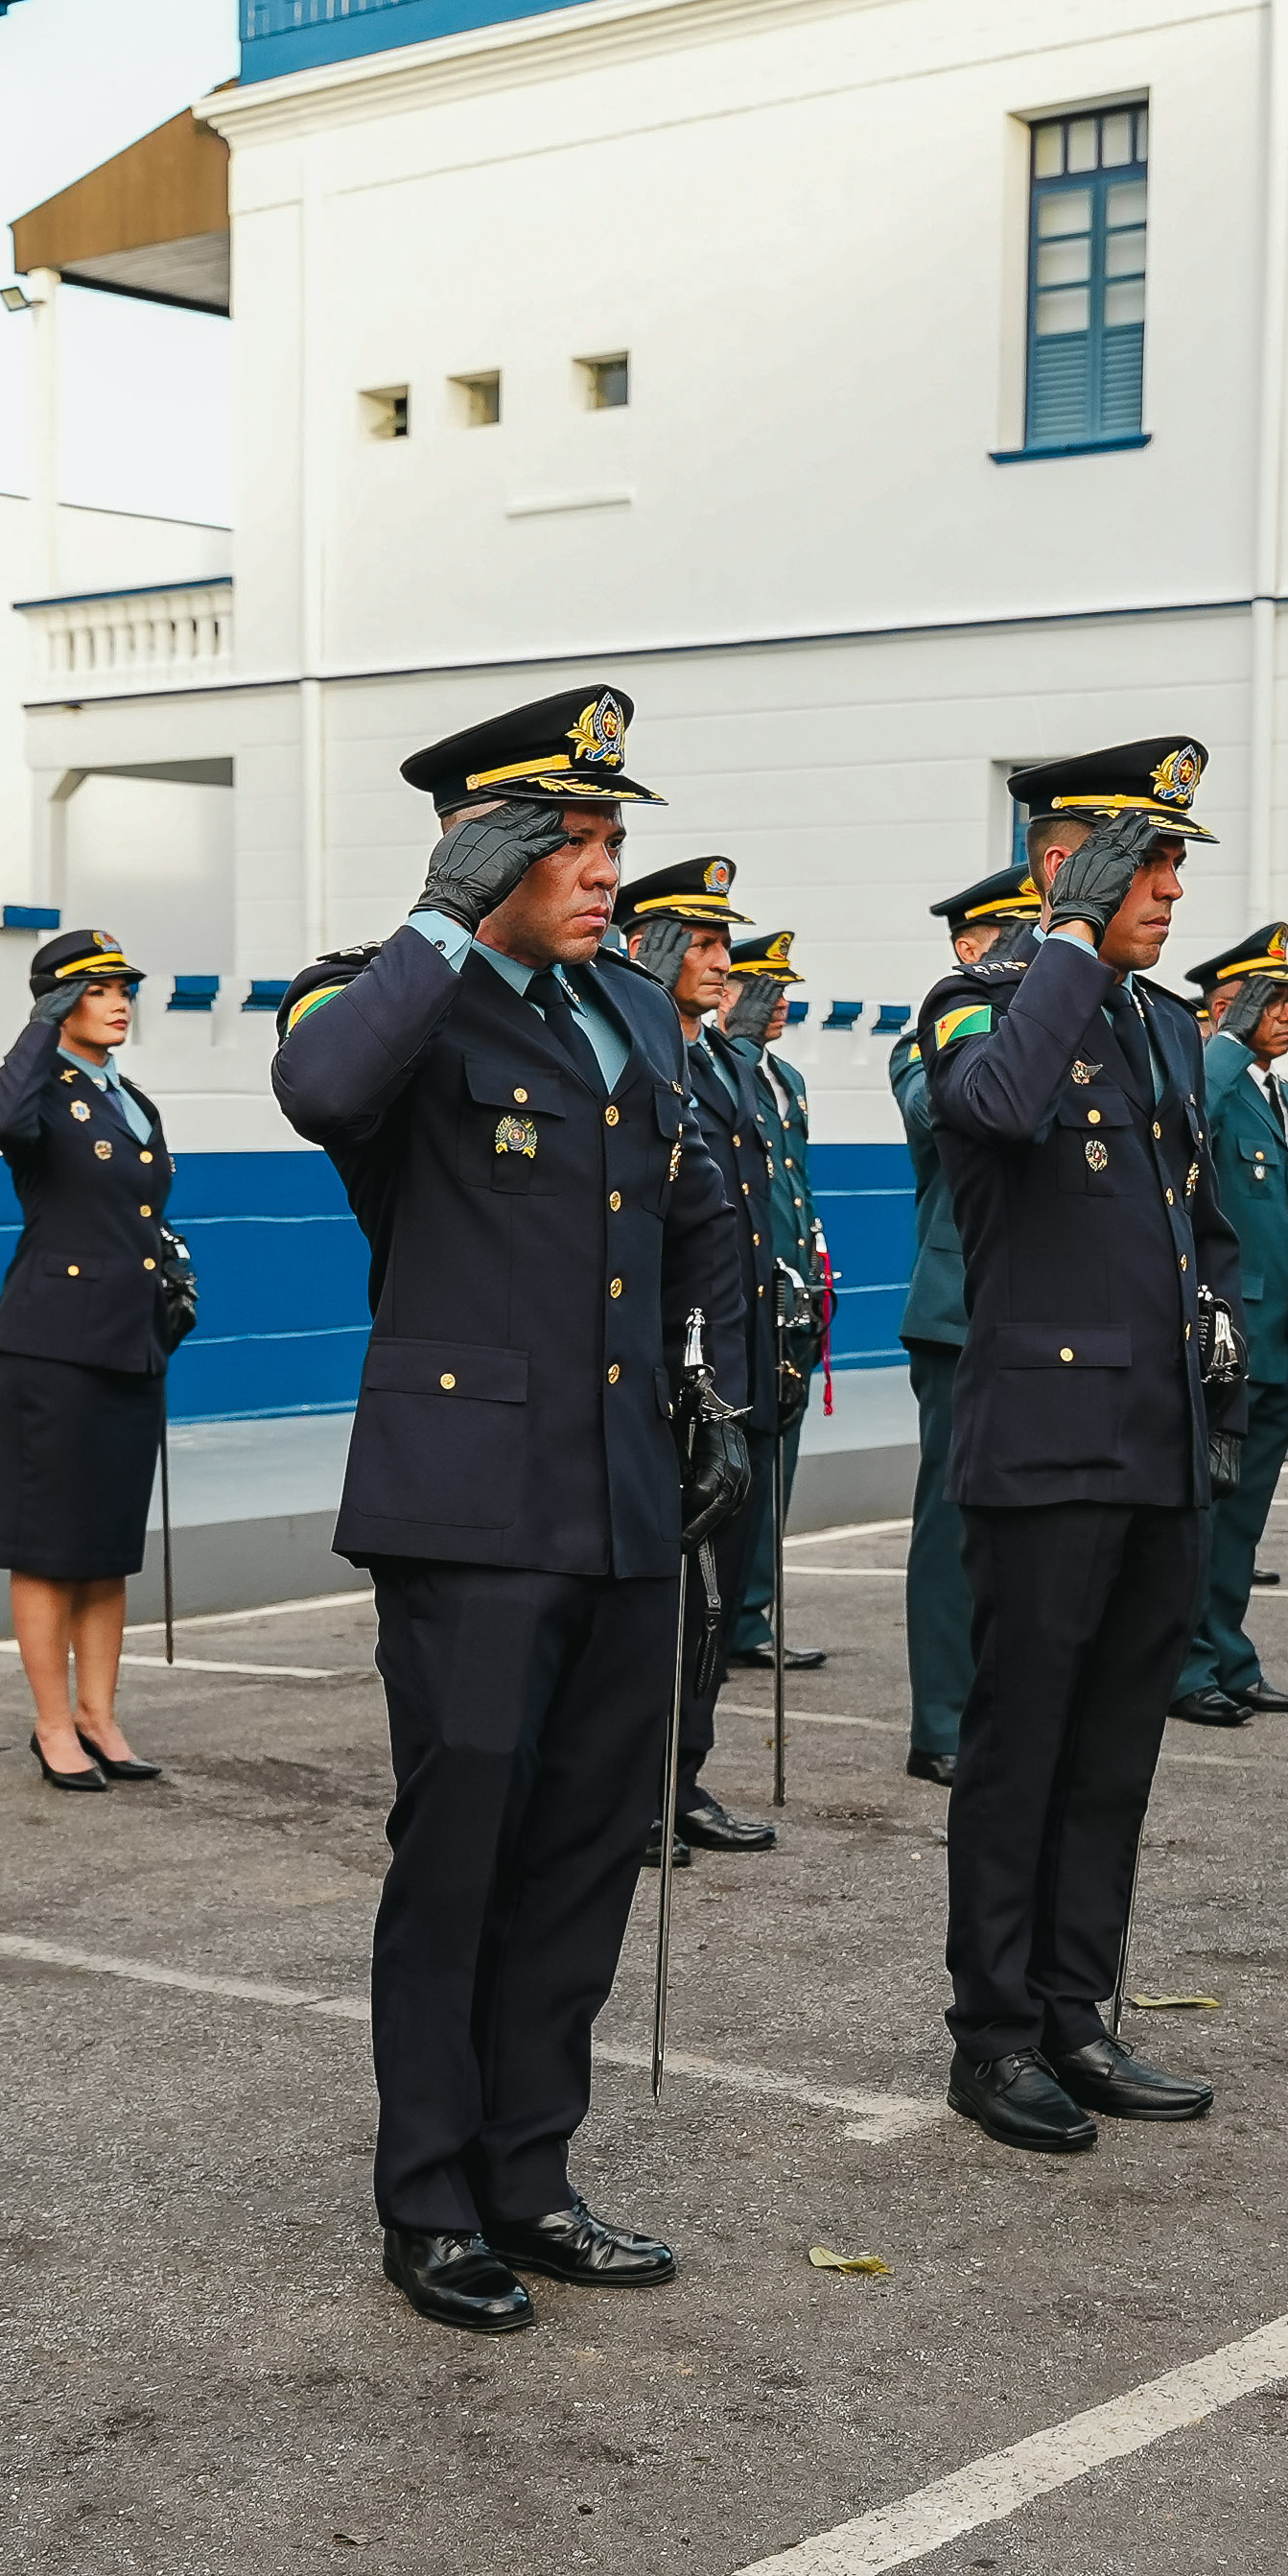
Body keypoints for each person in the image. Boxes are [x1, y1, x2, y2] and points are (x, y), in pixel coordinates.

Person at [269, 683, 743, 2332]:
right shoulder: (391, 995)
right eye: (573, 838)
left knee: (586, 1850)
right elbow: (324, 1095)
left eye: (616, 837)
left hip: (618, 1495)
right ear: (487, 842)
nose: (609, 868)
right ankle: (431, 2196)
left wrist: (715, 1394)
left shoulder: (633, 1010)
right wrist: (443, 914)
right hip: (467, 1504)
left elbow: (695, 1219)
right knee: (461, 1852)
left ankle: (534, 2171)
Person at [915, 736, 1240, 2146]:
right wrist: (1060, 943)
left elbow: (1194, 1217)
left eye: (1175, 862)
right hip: (1044, 1442)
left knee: (1113, 1753)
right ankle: (993, 2036)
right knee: (1022, 1748)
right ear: (1065, 865)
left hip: (1158, 1438)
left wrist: (1215, 1324)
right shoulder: (974, 1003)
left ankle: (1076, 2009)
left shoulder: (1166, 1026)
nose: (1170, 888)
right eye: (1143, 861)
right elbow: (992, 1112)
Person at [0, 920, 175, 1801]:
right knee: (48, 1543)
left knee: (105, 1545)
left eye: (124, 987)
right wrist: (37, 1028)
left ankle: (99, 1712)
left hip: (129, 1343)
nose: (120, 1001)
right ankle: (52, 1721)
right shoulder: (43, 1091)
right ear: (60, 1000)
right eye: (98, 989)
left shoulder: (131, 1099)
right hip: (52, 1346)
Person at [617, 857, 781, 1861]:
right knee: (660, 1604)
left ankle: (681, 1775)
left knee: (716, 1600)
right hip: (661, 1373)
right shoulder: (638, 1052)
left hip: (734, 1368)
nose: (719, 961)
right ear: (645, 946)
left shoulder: (718, 1059)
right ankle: (632, 1789)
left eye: (724, 941)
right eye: (700, 941)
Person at [888, 872, 1035, 1784]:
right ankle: (940, 1719)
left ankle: (1004, 1706)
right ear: (968, 947)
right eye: (1011, 937)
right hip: (959, 1313)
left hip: (1038, 1311)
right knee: (951, 1527)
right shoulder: (934, 1033)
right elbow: (935, 1110)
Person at [1177, 920, 1288, 1728]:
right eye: (1271, 1000)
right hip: (1226, 1332)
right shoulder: (1214, 1077)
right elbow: (1189, 1103)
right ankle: (1188, 1663)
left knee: (1247, 1515)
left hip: (1279, 1330)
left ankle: (1230, 1654)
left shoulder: (1286, 1096)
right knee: (1208, 1507)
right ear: (1227, 1010)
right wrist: (1224, 1039)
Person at [720, 926, 829, 1682]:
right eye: (759, 987)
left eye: (783, 989)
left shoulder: (783, 1075)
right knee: (739, 1467)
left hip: (792, 1292)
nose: (777, 1003)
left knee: (778, 1463)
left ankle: (754, 1609)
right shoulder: (726, 1072)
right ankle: (728, 1612)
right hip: (742, 1294)